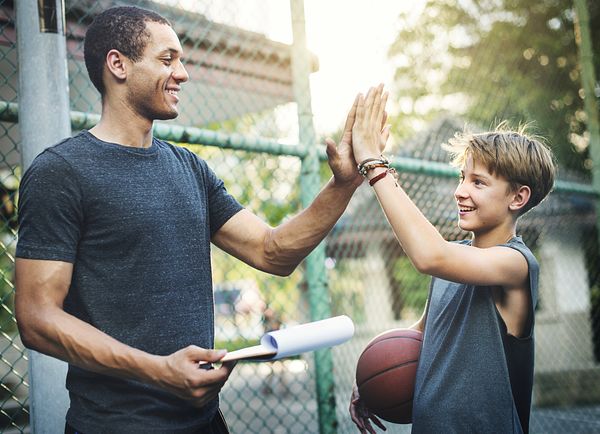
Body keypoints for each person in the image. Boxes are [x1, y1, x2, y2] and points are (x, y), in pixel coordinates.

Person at [14, 6, 367, 433]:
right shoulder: (62, 172)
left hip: (204, 423)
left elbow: (273, 252)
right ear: (118, 64)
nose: (183, 74)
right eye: (168, 59)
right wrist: (157, 370)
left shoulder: (191, 170)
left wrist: (343, 184)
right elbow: (37, 318)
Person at [348, 86, 555, 433]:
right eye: (462, 178)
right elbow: (423, 335)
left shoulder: (516, 265)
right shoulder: (452, 260)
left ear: (518, 197)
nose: (460, 190)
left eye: (478, 182)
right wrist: (374, 383)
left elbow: (430, 255)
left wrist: (374, 165)